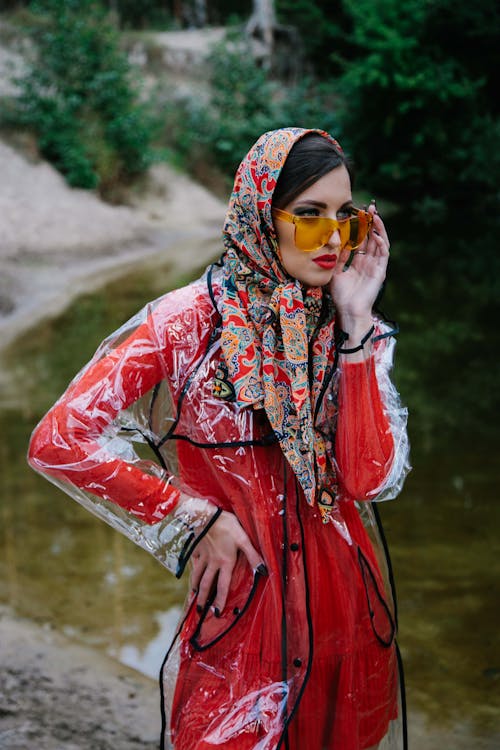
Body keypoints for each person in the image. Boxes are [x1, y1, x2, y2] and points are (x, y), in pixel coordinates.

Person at [28, 127, 410, 750]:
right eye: (309, 216)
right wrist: (191, 515)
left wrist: (357, 326)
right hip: (244, 601)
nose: (335, 239)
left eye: (348, 217)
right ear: (262, 214)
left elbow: (368, 480)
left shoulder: (347, 328)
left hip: (344, 602)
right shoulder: (184, 323)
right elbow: (60, 438)